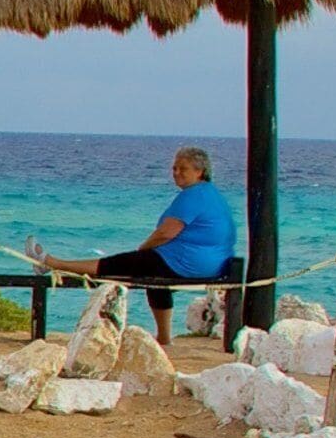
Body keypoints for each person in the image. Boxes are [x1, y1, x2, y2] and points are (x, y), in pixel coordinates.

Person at [31, 147, 234, 345]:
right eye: (174, 168)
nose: (176, 173)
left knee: (118, 264)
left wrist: (144, 248)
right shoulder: (211, 194)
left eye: (183, 169)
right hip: (211, 263)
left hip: (187, 263)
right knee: (152, 279)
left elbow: (165, 233)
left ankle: (52, 263)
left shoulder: (193, 195)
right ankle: (164, 338)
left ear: (200, 172)